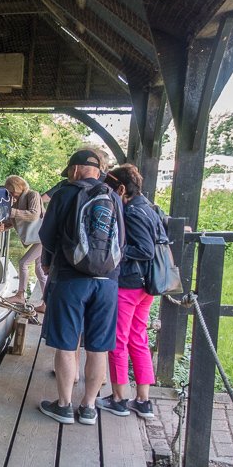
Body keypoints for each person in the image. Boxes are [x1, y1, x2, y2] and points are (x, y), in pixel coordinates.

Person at [38, 149, 125, 425]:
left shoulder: (65, 193)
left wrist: (48, 264)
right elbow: (123, 241)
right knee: (99, 346)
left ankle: (64, 406)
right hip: (108, 282)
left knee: (66, 343)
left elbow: (47, 237)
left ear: (75, 169)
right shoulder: (114, 198)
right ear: (98, 172)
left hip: (70, 278)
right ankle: (88, 407)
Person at [95, 164, 158, 419]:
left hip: (131, 285)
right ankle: (143, 400)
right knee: (138, 339)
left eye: (112, 191)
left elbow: (145, 249)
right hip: (147, 286)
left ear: (122, 189)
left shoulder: (131, 211)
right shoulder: (149, 208)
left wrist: (117, 248)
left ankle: (119, 398)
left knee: (118, 340)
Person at [0, 175, 46, 311]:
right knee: (40, 269)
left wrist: (9, 211)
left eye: (12, 191)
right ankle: (46, 303)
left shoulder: (33, 195)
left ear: (18, 186)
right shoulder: (15, 204)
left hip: (43, 237)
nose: (11, 194)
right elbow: (11, 222)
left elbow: (33, 215)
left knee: (23, 263)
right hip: (39, 238)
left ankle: (20, 295)